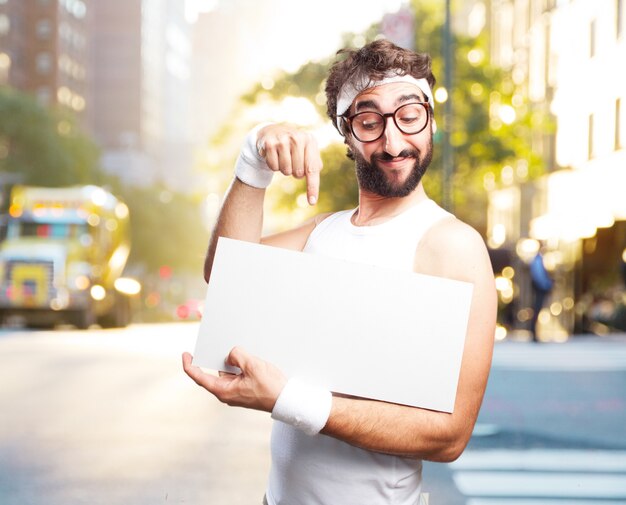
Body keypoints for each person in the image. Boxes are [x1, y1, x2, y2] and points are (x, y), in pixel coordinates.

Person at [182, 39, 497, 505]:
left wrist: (288, 399)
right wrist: (252, 160)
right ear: (346, 135)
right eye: (369, 123)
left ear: (430, 119)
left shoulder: (452, 247)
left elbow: (449, 436)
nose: (393, 143)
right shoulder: (321, 233)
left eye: (409, 116)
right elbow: (228, 273)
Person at [529, 248, 553, 342]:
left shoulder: (538, 260)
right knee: (537, 310)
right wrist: (547, 285)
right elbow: (539, 276)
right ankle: (533, 332)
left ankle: (534, 332)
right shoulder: (538, 260)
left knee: (537, 310)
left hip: (540, 288)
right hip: (540, 289)